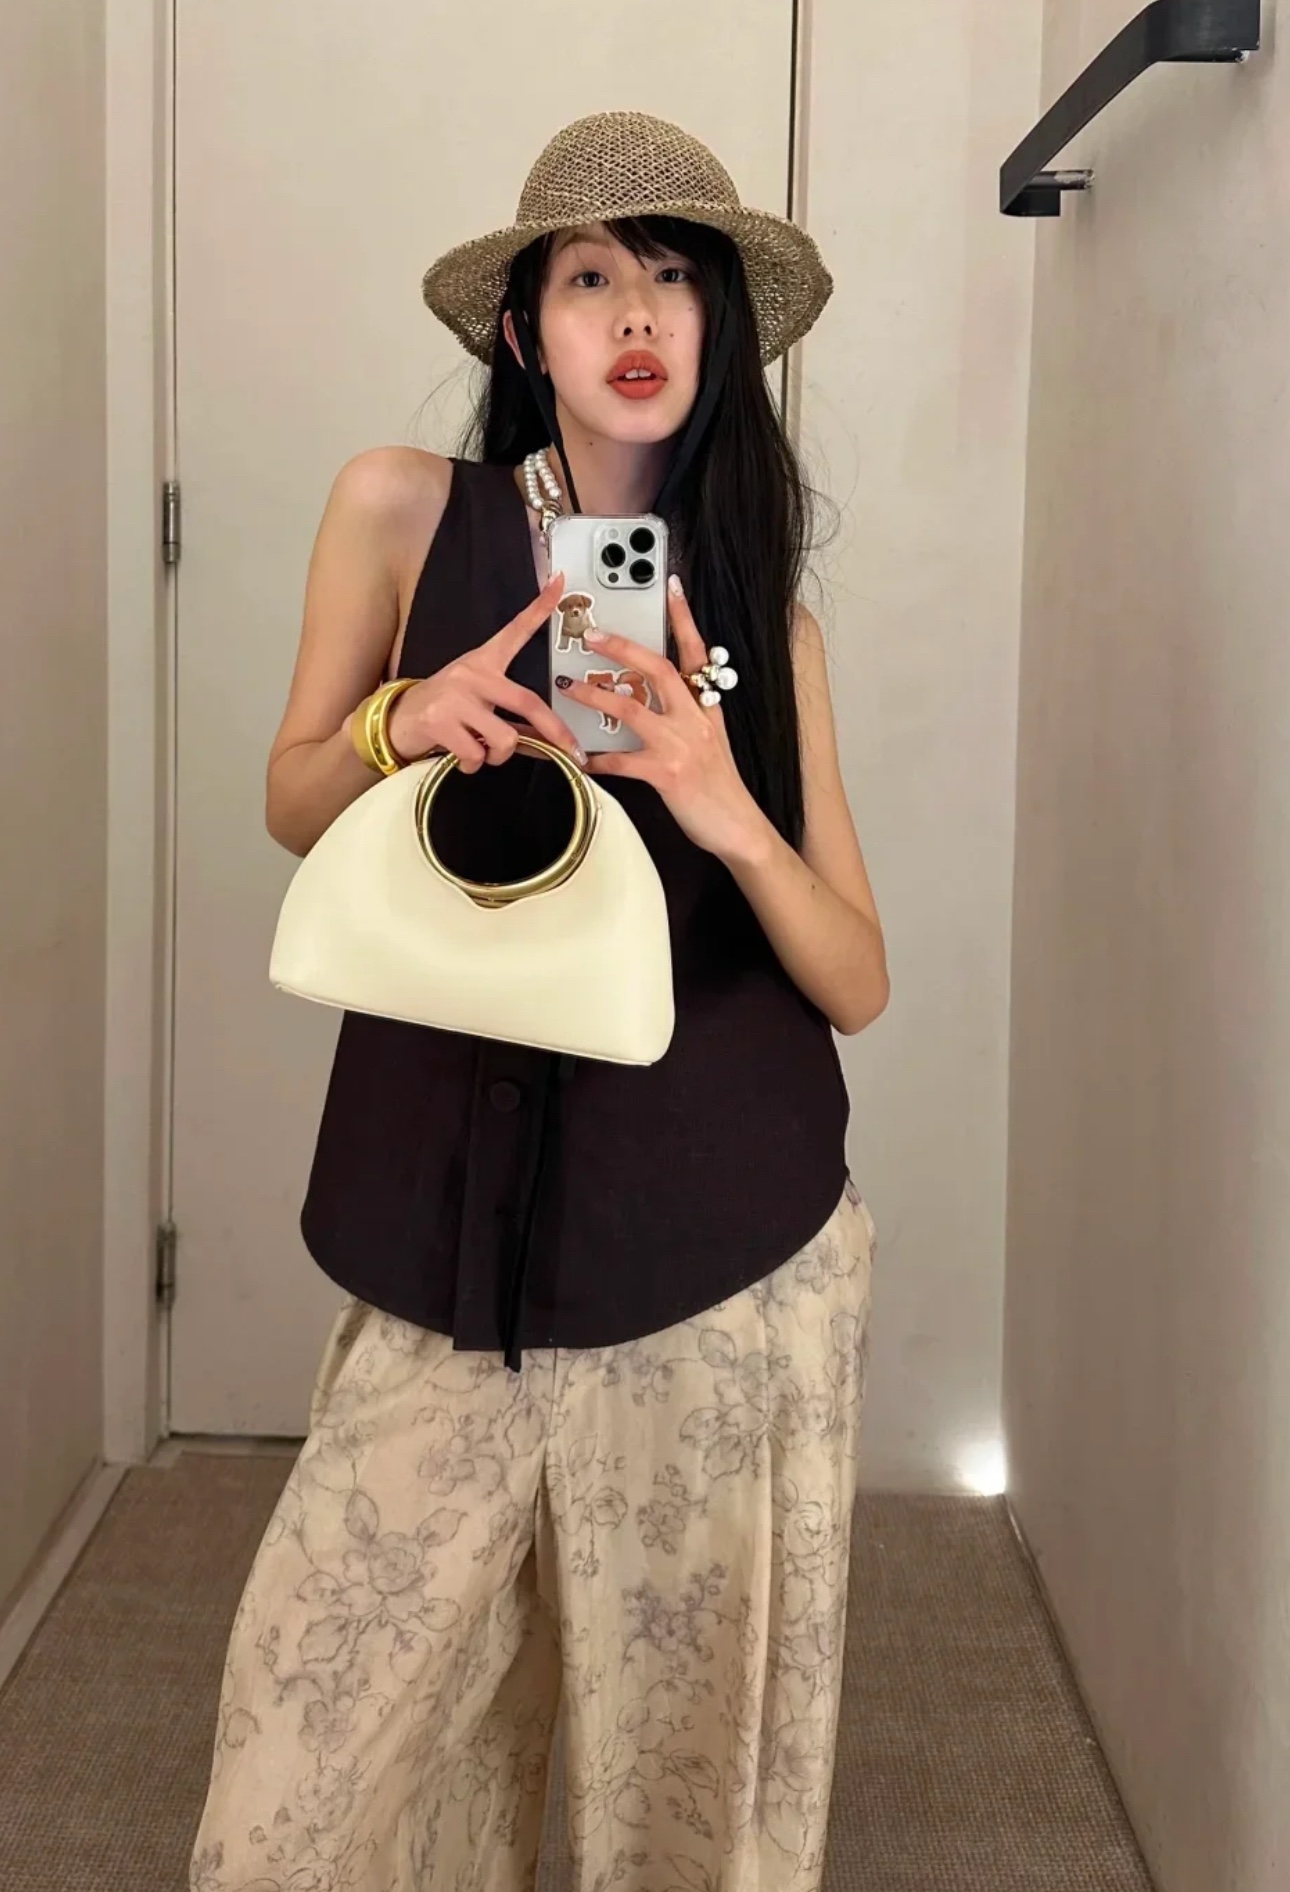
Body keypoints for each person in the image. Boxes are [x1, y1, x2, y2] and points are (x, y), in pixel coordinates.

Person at [189, 110, 889, 1892]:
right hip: (451, 1224)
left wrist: (719, 801)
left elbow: (853, 978)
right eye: (588, 279)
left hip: (716, 1246)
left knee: (685, 1798)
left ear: (721, 328)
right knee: (306, 1788)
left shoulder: (763, 624)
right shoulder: (401, 510)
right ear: (524, 332)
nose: (633, 314)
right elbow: (289, 800)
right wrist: (399, 722)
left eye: (671, 279)